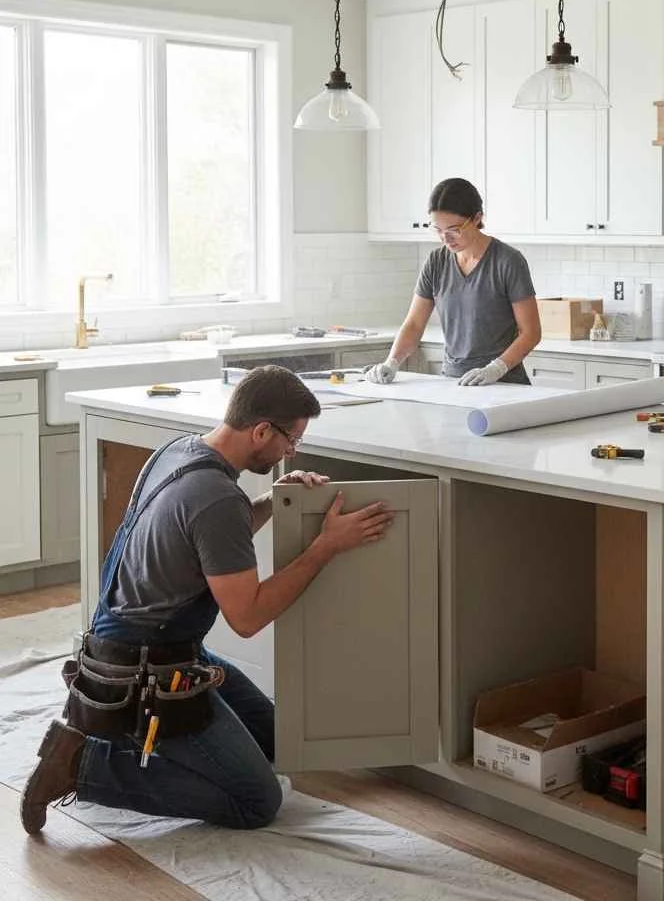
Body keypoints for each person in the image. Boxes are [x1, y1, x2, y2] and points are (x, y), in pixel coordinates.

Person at [20, 365, 393, 834]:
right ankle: (84, 766)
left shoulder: (179, 451)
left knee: (279, 741)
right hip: (149, 671)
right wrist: (326, 547)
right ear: (262, 430)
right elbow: (248, 616)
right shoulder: (217, 498)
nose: (291, 451)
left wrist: (274, 500)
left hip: (140, 650)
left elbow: (210, 540)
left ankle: (123, 737)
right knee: (256, 800)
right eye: (291, 440)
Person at [364, 177, 542, 387]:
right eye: (438, 230)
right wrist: (392, 362)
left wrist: (496, 369)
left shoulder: (508, 262)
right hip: (452, 381)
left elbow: (531, 333)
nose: (445, 239)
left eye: (454, 230)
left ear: (477, 218)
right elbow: (414, 325)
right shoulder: (436, 262)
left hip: (504, 384)